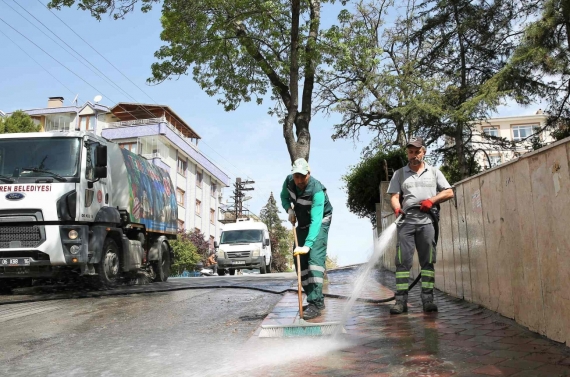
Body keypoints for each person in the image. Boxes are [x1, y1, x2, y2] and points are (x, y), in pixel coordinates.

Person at [386, 137, 454, 314]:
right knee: (402, 263)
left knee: (428, 262)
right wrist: (397, 207)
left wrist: (432, 200)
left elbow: (449, 192)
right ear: (407, 153)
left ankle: (428, 300)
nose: (413, 155)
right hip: (406, 223)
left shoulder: (434, 172)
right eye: (410, 152)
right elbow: (394, 196)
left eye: (417, 151)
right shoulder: (399, 174)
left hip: (427, 223)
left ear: (424, 152)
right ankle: (400, 302)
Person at [280, 158, 333, 320]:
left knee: (314, 260)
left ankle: (316, 302)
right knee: (299, 260)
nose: (299, 181)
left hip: (320, 221)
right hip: (302, 222)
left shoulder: (317, 190)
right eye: (296, 176)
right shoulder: (289, 182)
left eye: (303, 176)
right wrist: (289, 209)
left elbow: (316, 220)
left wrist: (308, 245)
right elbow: (284, 197)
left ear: (309, 174)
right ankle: (313, 298)